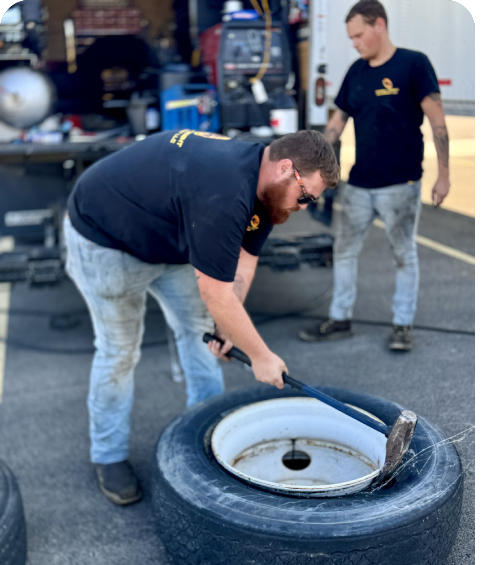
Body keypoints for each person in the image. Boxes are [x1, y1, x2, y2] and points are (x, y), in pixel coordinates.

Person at [64, 128, 339, 505]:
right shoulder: (226, 190)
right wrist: (260, 356)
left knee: (203, 335)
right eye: (305, 196)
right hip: (106, 239)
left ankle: (204, 434)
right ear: (285, 169)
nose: (304, 206)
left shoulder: (267, 188)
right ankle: (109, 456)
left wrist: (227, 325)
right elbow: (215, 292)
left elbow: (244, 262)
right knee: (119, 351)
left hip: (168, 240)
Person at [298, 0, 450, 351]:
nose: (354, 42)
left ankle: (402, 325)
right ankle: (340, 319)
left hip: (402, 184)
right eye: (350, 37)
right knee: (345, 250)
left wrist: (444, 176)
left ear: (379, 25)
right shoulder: (356, 72)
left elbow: (438, 124)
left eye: (358, 34)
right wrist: (311, 160)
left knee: (403, 254)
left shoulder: (414, 64)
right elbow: (336, 123)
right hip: (360, 184)